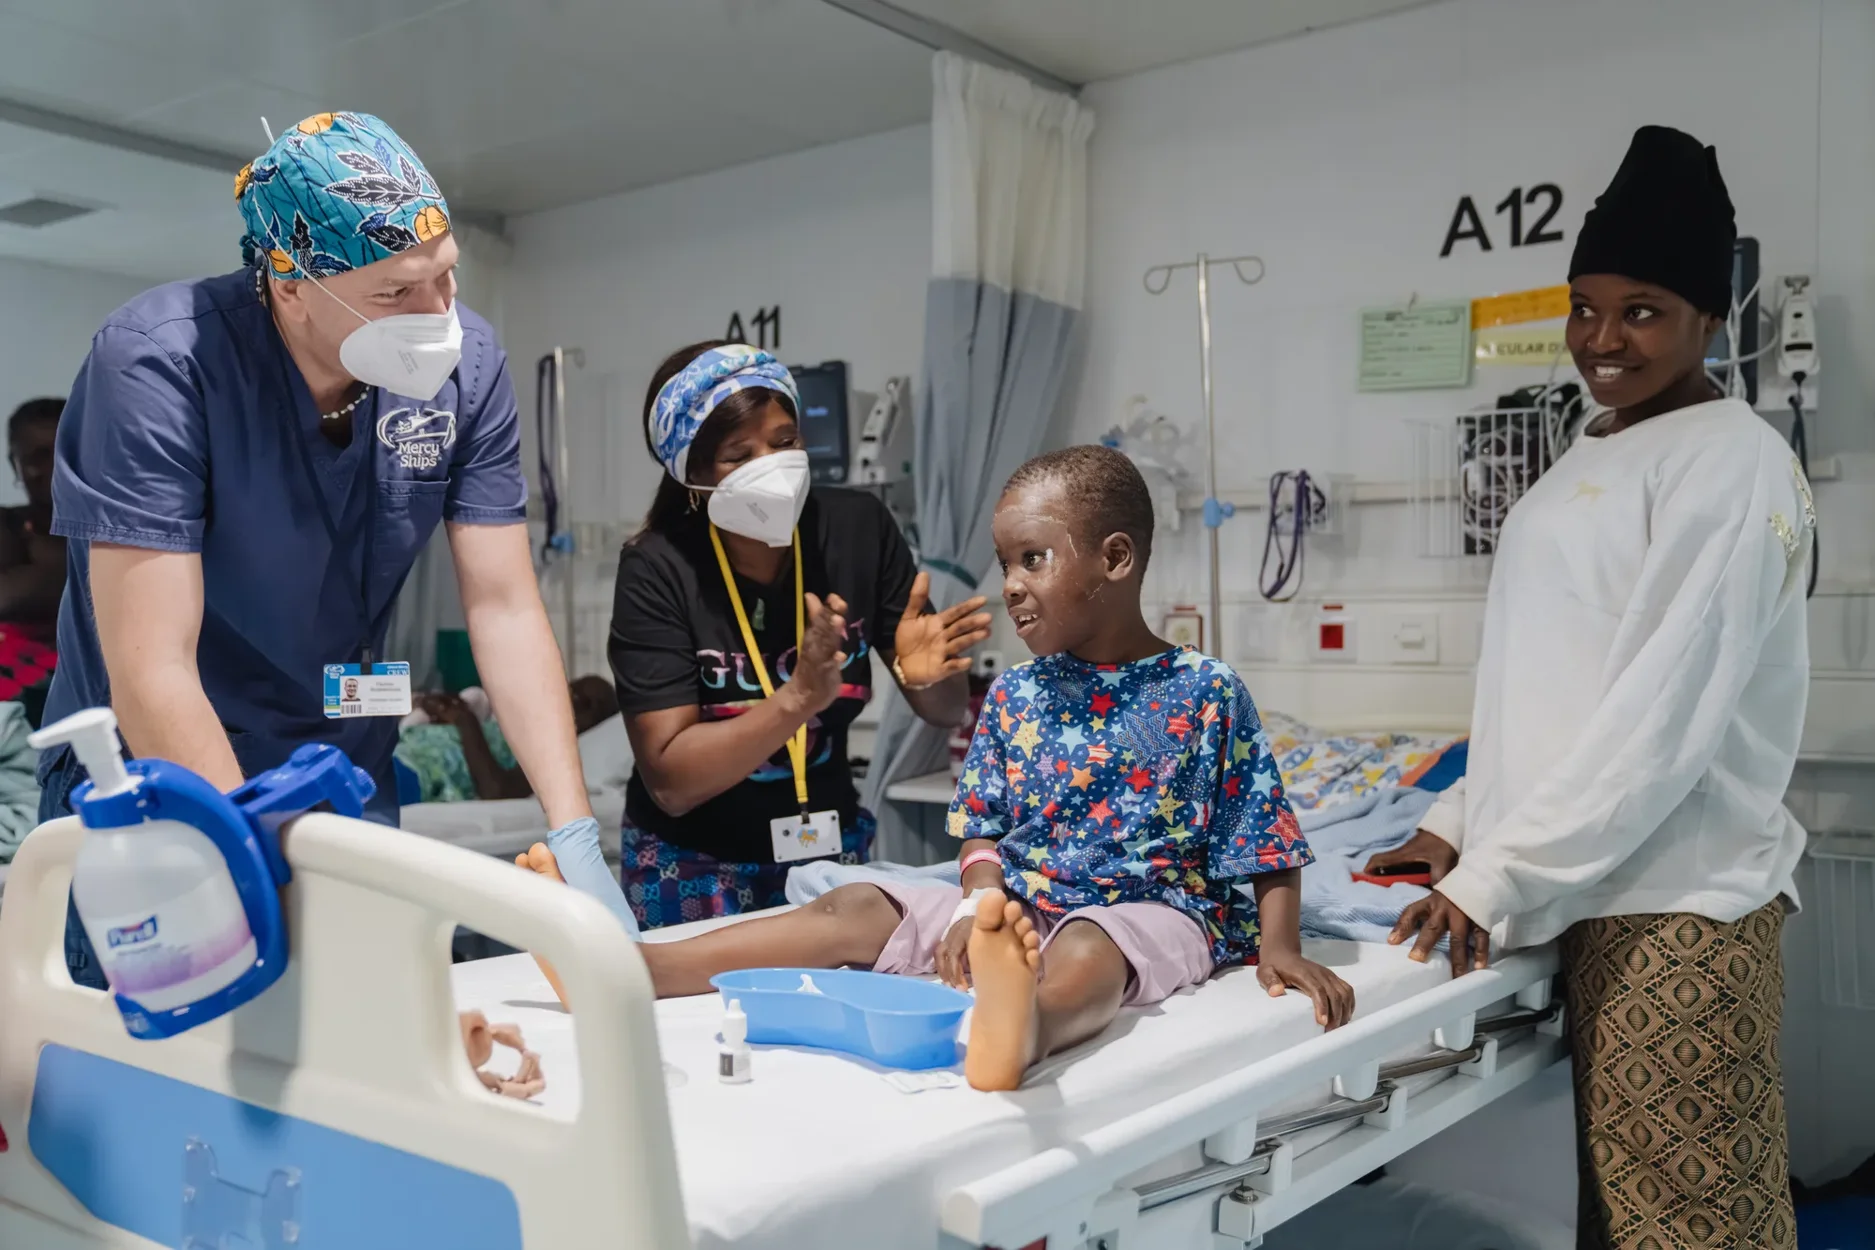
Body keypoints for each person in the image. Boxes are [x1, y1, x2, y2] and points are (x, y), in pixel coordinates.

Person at [520, 445, 1354, 1091]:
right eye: (1004, 564)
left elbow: (1262, 839)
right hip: (1017, 903)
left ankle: (1024, 1025)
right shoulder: (1017, 695)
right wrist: (977, 904)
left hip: (1152, 907)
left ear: (1114, 558)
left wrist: (1277, 944)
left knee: (1097, 945)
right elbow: (983, 834)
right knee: (857, 902)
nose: (1011, 588)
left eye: (1035, 559)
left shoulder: (1204, 691)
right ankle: (638, 970)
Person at [1373, 126, 1809, 1249]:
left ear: (1714, 317)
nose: (1602, 338)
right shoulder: (1587, 451)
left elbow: (1659, 718)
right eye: (1584, 306)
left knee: (1694, 1227)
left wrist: (1501, 873)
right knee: (1621, 1224)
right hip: (1587, 888)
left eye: (1644, 309)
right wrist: (1456, 825)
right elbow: (1548, 689)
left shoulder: (1734, 459)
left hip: (1677, 910)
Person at [42, 113, 599, 989]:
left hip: (340, 773)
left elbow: (503, 605)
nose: (436, 318)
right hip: (164, 786)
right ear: (289, 285)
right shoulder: (157, 365)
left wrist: (572, 831)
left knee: (368, 1074)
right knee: (173, 1085)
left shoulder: (470, 367)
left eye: (446, 278)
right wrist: (255, 879)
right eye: (394, 296)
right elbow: (153, 671)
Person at [607, 341, 993, 927]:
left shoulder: (856, 529)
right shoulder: (659, 567)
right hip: (694, 864)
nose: (772, 465)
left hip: (827, 852)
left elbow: (939, 712)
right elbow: (672, 783)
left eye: (785, 442)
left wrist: (929, 679)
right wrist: (797, 700)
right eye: (739, 454)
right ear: (693, 476)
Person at [398, 676, 618, 802]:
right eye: (570, 690)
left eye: (586, 702)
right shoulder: (515, 726)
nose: (572, 701)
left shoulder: (552, 757)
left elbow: (496, 790)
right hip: (393, 755)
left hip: (415, 776)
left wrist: (465, 721)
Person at [0, 398, 67, 722]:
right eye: (39, 456)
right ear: (16, 465)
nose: (54, 467)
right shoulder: (5, 524)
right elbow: (7, 598)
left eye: (64, 449)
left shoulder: (123, 526)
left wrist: (38, 555)